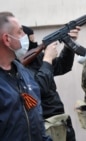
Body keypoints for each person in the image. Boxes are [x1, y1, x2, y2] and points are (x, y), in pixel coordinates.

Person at [21, 25, 79, 141]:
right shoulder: (19, 67)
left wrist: (69, 45)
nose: (35, 43)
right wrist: (47, 59)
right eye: (32, 41)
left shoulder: (38, 58)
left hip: (59, 119)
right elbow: (39, 88)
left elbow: (63, 66)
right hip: (44, 123)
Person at [0, 11, 52, 141]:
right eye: (20, 32)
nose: (25, 36)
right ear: (7, 39)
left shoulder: (22, 72)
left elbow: (36, 119)